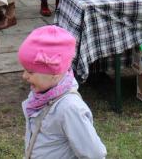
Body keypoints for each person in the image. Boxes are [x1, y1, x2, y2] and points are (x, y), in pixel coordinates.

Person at [18, 25, 106, 158]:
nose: (24, 76)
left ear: (55, 73)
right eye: (24, 70)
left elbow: (95, 153)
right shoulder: (41, 95)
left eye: (30, 72)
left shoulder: (69, 108)